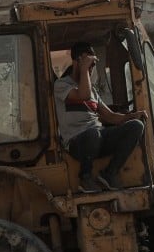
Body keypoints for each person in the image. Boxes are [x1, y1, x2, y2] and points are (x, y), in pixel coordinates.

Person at [54, 41, 147, 192]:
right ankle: (85, 177)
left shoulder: (93, 92)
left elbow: (110, 117)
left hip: (97, 138)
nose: (91, 69)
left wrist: (131, 116)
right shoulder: (62, 85)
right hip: (77, 143)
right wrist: (84, 68)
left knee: (136, 126)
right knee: (93, 134)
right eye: (89, 64)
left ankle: (110, 173)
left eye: (92, 66)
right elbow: (82, 95)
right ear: (78, 61)